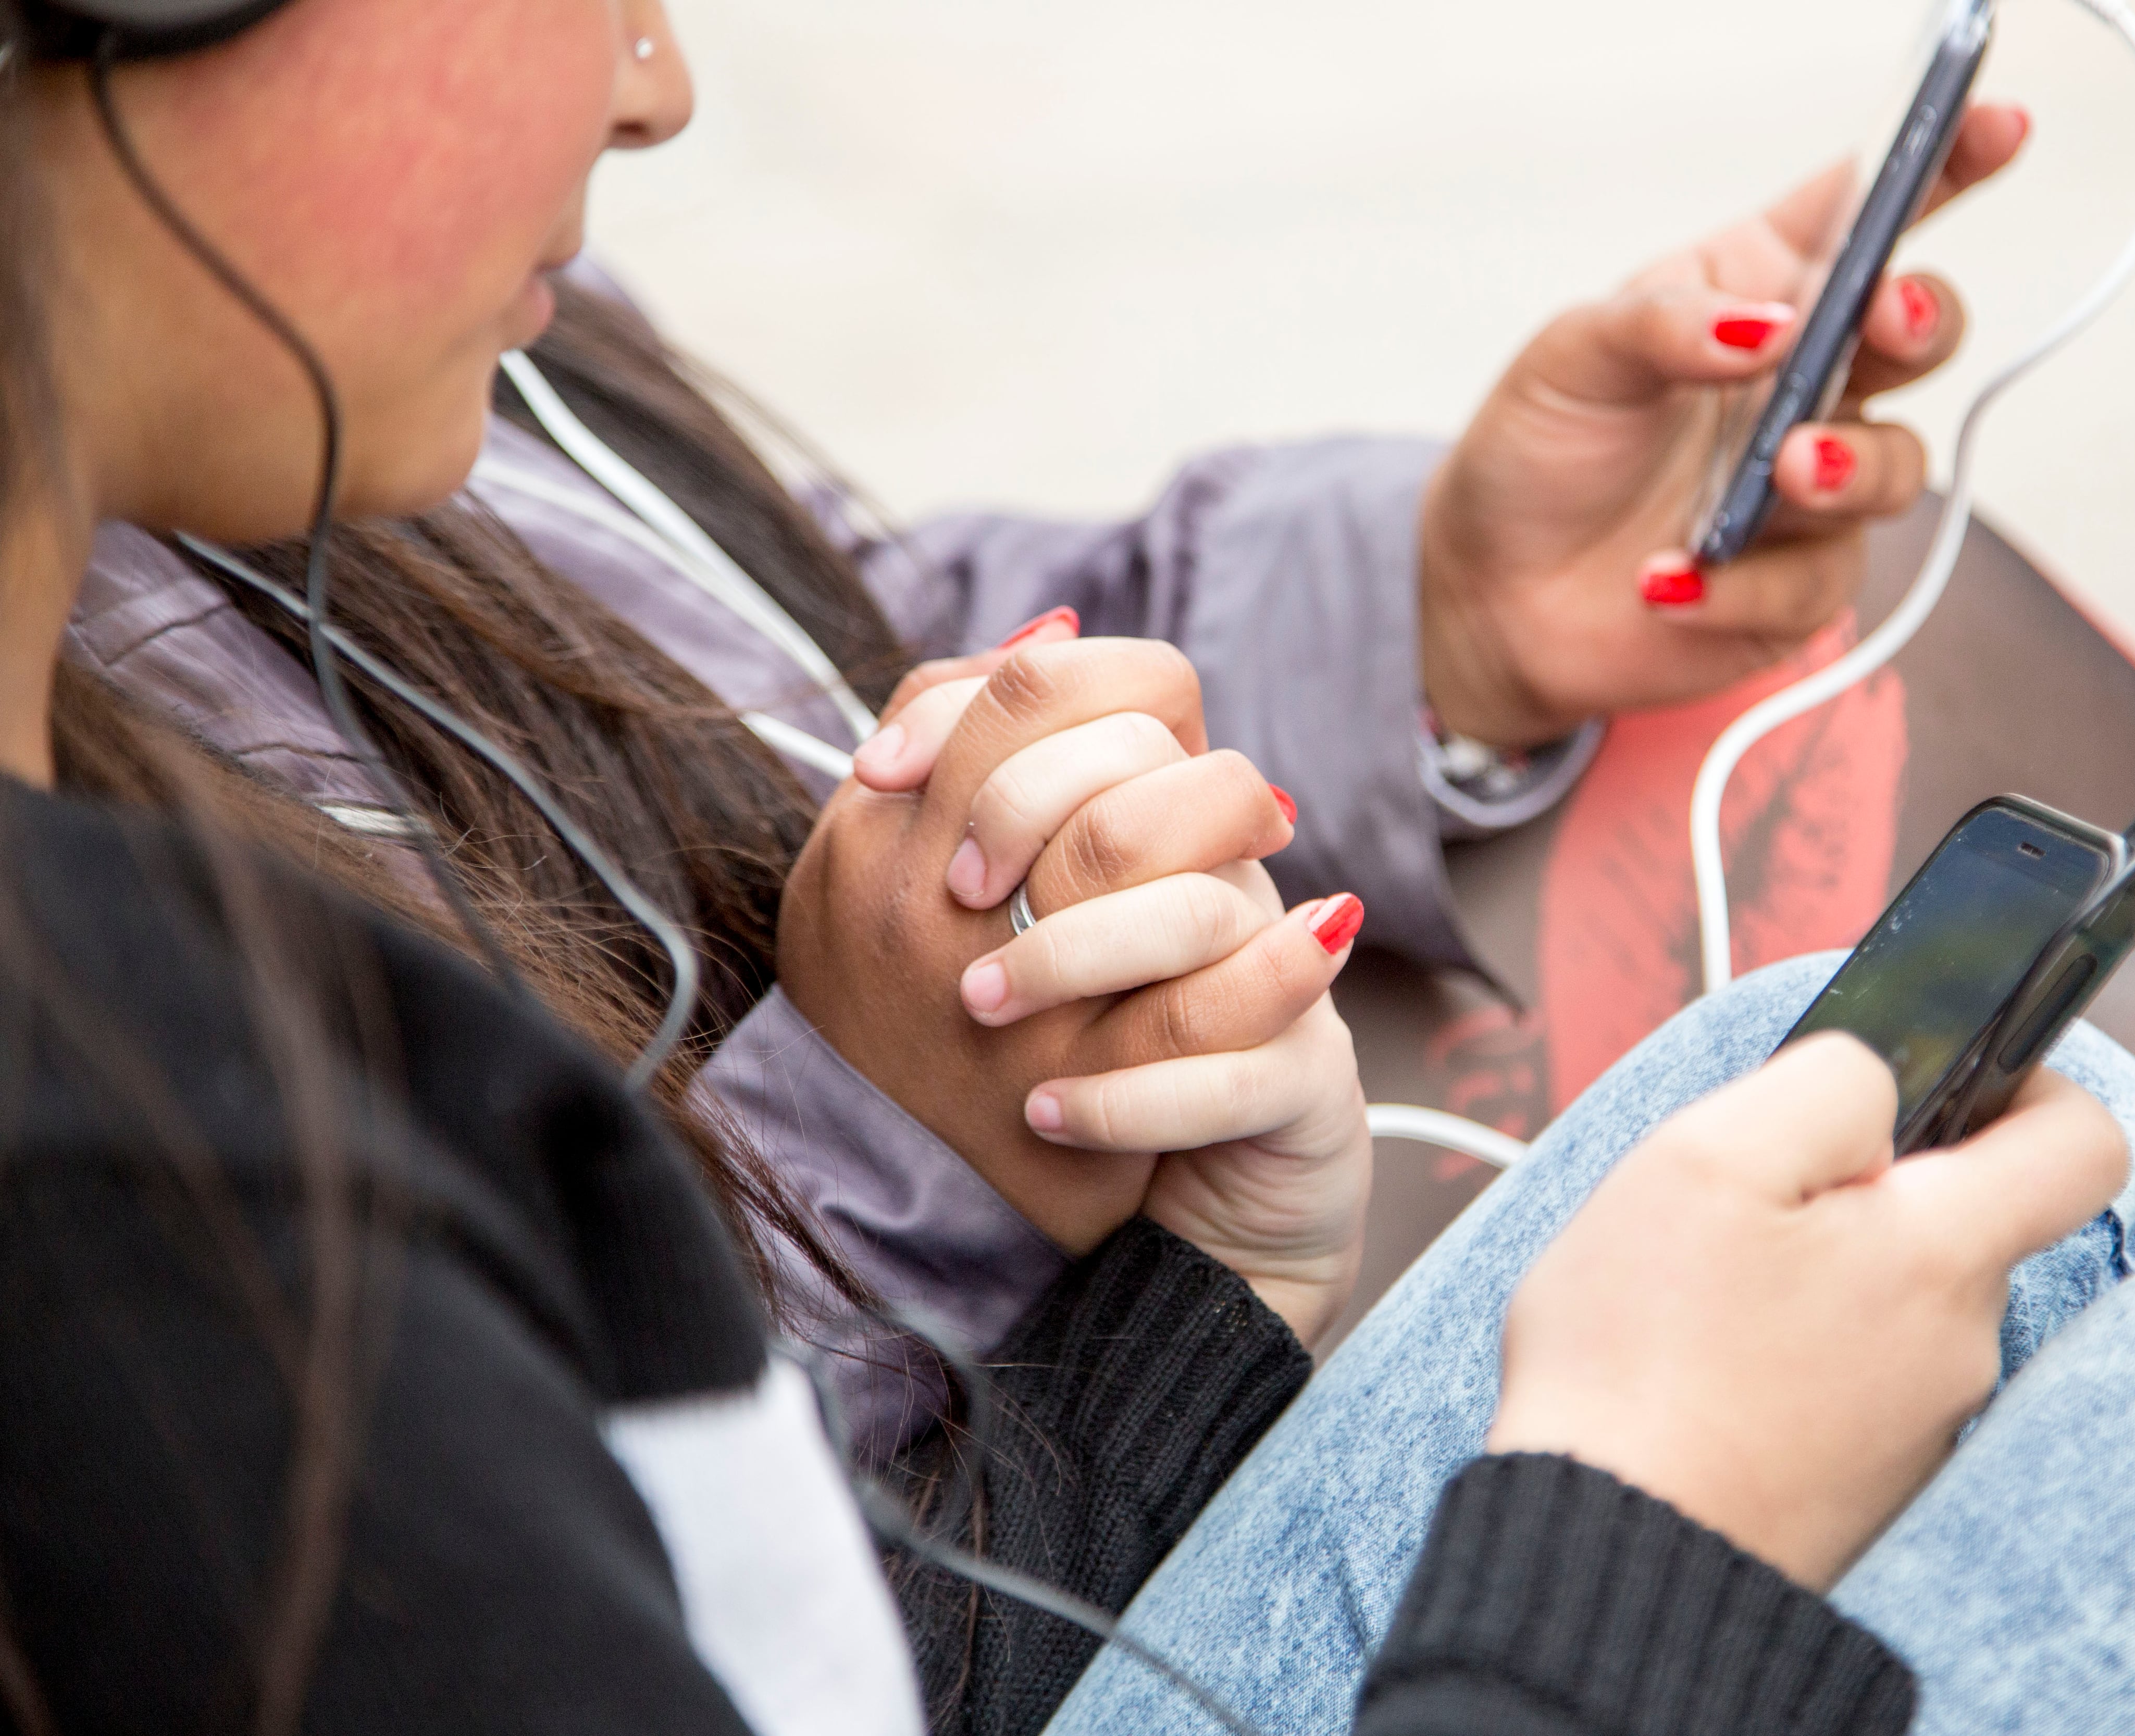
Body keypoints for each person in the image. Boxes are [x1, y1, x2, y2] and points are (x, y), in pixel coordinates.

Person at [8, 6, 2135, 1736]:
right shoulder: (138, 1163)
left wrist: (1430, 623)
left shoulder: (267, 489)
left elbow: (752, 653)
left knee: (2036, 1154)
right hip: (1004, 1528)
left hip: (993, 1496)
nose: (664, 77)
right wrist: (1627, 1541)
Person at [59, 0, 2027, 1452]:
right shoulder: (84, 968)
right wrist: (899, 1160)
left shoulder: (380, 368)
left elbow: (792, 654)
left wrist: (1437, 616)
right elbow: (542, 1588)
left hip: (1085, 1392)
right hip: (965, 1537)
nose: (659, 82)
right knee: (2080, 1186)